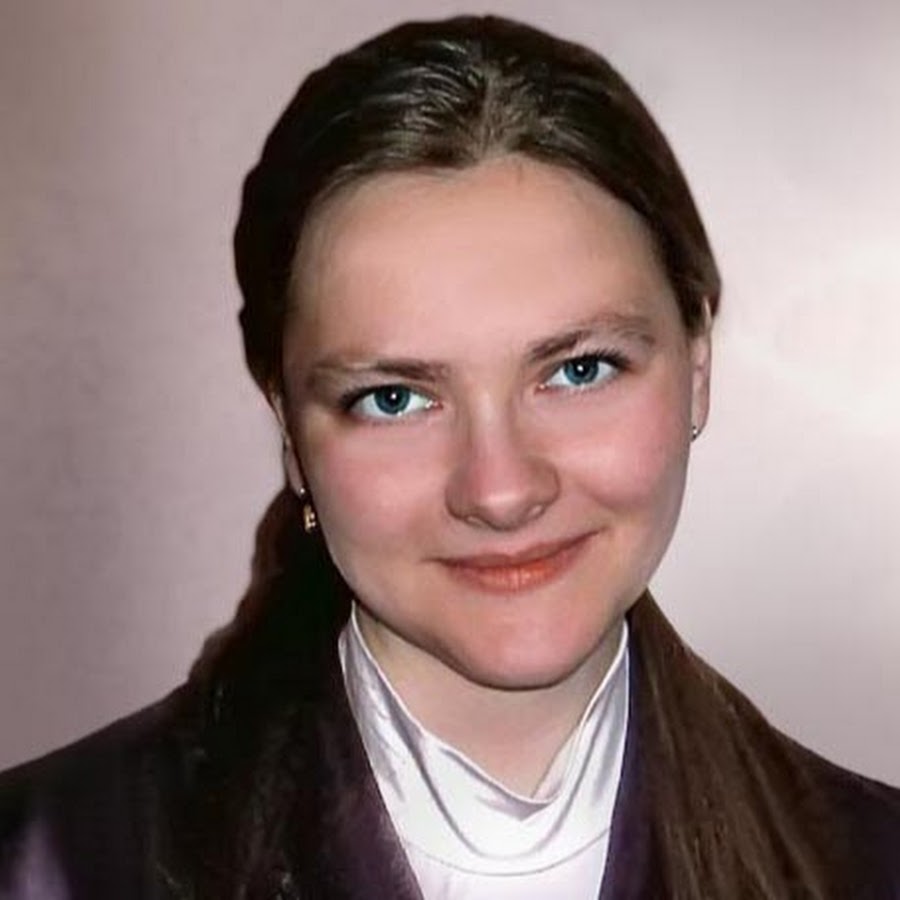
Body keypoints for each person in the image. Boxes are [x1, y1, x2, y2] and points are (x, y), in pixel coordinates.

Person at [0, 14, 898, 900]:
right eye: (394, 398)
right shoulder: (44, 864)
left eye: (579, 370)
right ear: (289, 427)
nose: (500, 492)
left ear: (696, 365)